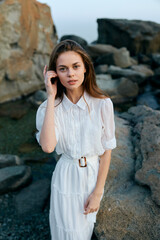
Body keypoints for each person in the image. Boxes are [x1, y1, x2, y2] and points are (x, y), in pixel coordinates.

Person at [35, 39, 117, 240]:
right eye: (63, 69)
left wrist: (98, 192)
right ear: (54, 74)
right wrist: (51, 96)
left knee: (83, 233)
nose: (70, 73)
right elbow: (47, 146)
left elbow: (107, 150)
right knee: (65, 232)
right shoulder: (47, 108)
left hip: (91, 175)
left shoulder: (103, 104)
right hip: (65, 175)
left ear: (86, 69)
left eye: (75, 66)